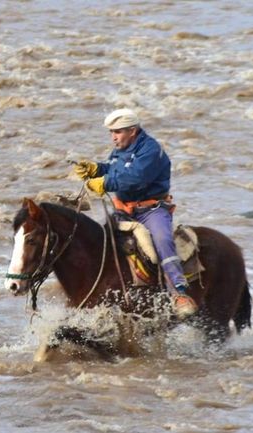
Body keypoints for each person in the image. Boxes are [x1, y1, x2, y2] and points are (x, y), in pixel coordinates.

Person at [73, 108, 198, 319]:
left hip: (152, 211)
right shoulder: (120, 149)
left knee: (162, 239)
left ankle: (179, 293)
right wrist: (97, 169)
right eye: (111, 132)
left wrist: (104, 182)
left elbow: (134, 178)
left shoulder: (151, 150)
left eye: (118, 132)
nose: (113, 137)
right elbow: (116, 170)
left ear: (133, 130)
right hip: (124, 210)